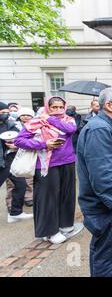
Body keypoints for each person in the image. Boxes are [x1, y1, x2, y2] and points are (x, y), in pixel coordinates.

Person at [77, 88, 112, 277]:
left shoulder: (105, 126)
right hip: (106, 208)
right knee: (106, 256)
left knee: (105, 253)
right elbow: (102, 175)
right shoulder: (100, 129)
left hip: (107, 206)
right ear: (109, 105)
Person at [14, 96, 77, 244]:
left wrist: (50, 119)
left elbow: (71, 129)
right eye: (54, 107)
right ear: (48, 107)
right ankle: (50, 232)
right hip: (45, 164)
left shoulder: (68, 120)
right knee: (48, 198)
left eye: (61, 107)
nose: (58, 110)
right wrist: (43, 143)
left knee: (66, 195)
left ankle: (65, 224)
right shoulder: (36, 121)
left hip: (67, 161)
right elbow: (19, 140)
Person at [0, 102, 31, 222]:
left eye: (7, 112)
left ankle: (15, 213)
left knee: (21, 185)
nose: (6, 115)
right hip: (1, 162)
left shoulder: (11, 124)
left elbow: (19, 138)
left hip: (10, 160)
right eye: (2, 113)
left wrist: (15, 144)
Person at [6, 107, 35, 210]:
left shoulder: (36, 126)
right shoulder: (12, 126)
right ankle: (11, 202)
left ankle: (29, 197)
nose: (26, 117)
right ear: (19, 116)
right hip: (12, 155)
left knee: (29, 178)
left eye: (28, 115)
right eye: (23, 115)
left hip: (28, 154)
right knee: (12, 180)